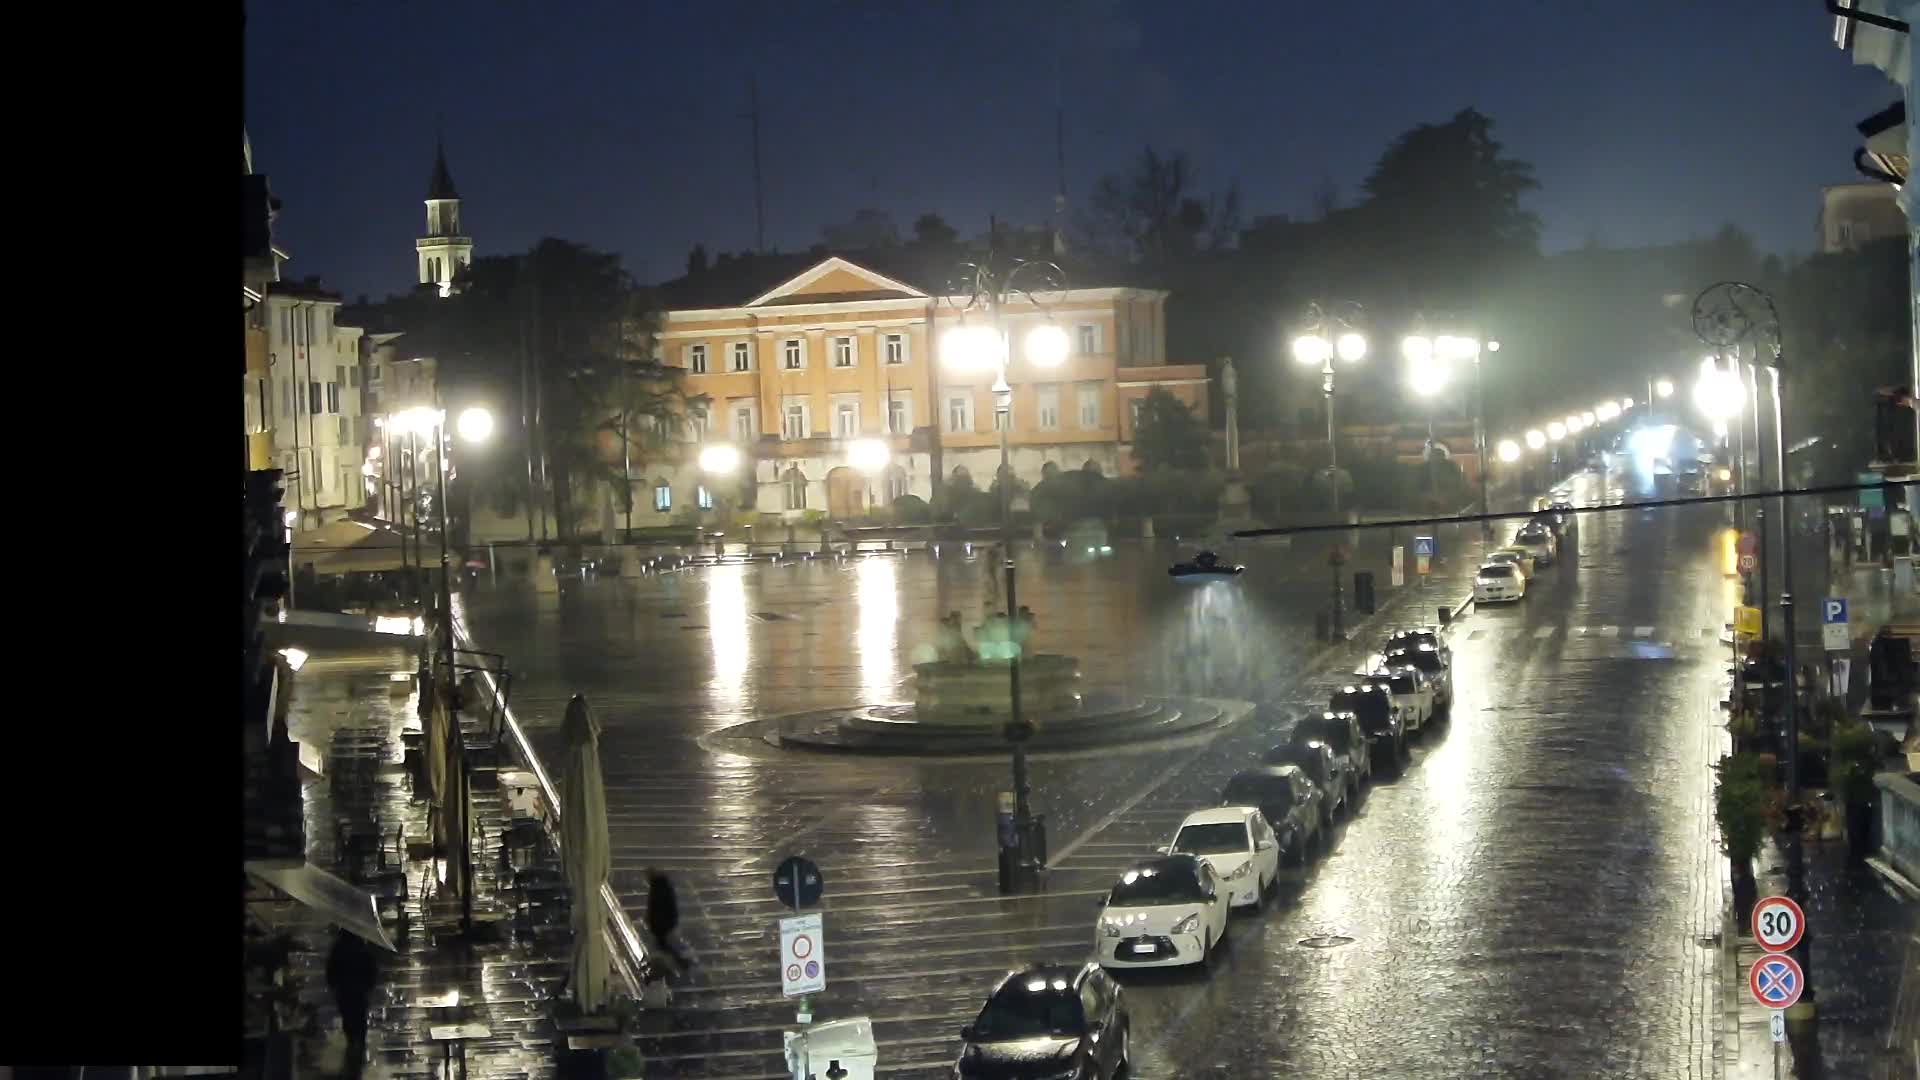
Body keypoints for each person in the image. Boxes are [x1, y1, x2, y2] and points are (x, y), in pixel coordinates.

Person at [325, 927, 377, 1074]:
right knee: (360, 1017)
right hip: (359, 991)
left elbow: (331, 969)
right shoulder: (362, 948)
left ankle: (352, 1041)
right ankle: (358, 1042)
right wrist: (369, 986)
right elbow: (371, 969)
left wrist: (333, 985)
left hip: (344, 991)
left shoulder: (338, 949)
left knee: (348, 1016)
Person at [645, 869, 690, 976]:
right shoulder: (662, 886)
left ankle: (678, 964)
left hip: (661, 923)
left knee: (662, 945)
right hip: (663, 923)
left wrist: (652, 920)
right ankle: (679, 963)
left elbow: (656, 907)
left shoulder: (657, 888)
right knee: (663, 945)